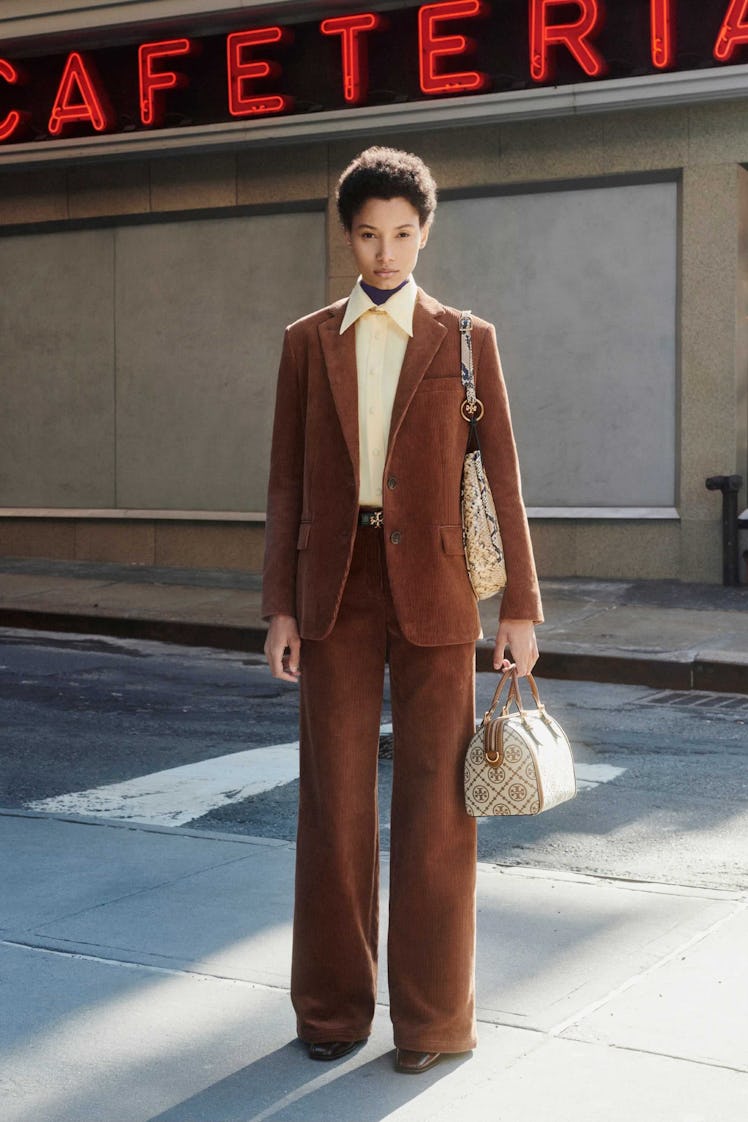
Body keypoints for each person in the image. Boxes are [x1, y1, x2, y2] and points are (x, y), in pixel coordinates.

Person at [263, 146, 542, 1075]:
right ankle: (333, 1009)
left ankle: (431, 1024)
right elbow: (287, 488)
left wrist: (521, 611)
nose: (386, 253)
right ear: (349, 236)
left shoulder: (465, 337)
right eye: (370, 235)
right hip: (334, 592)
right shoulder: (307, 341)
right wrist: (280, 608)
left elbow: (501, 476)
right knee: (333, 807)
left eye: (403, 235)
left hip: (439, 592)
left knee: (437, 813)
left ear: (426, 234)